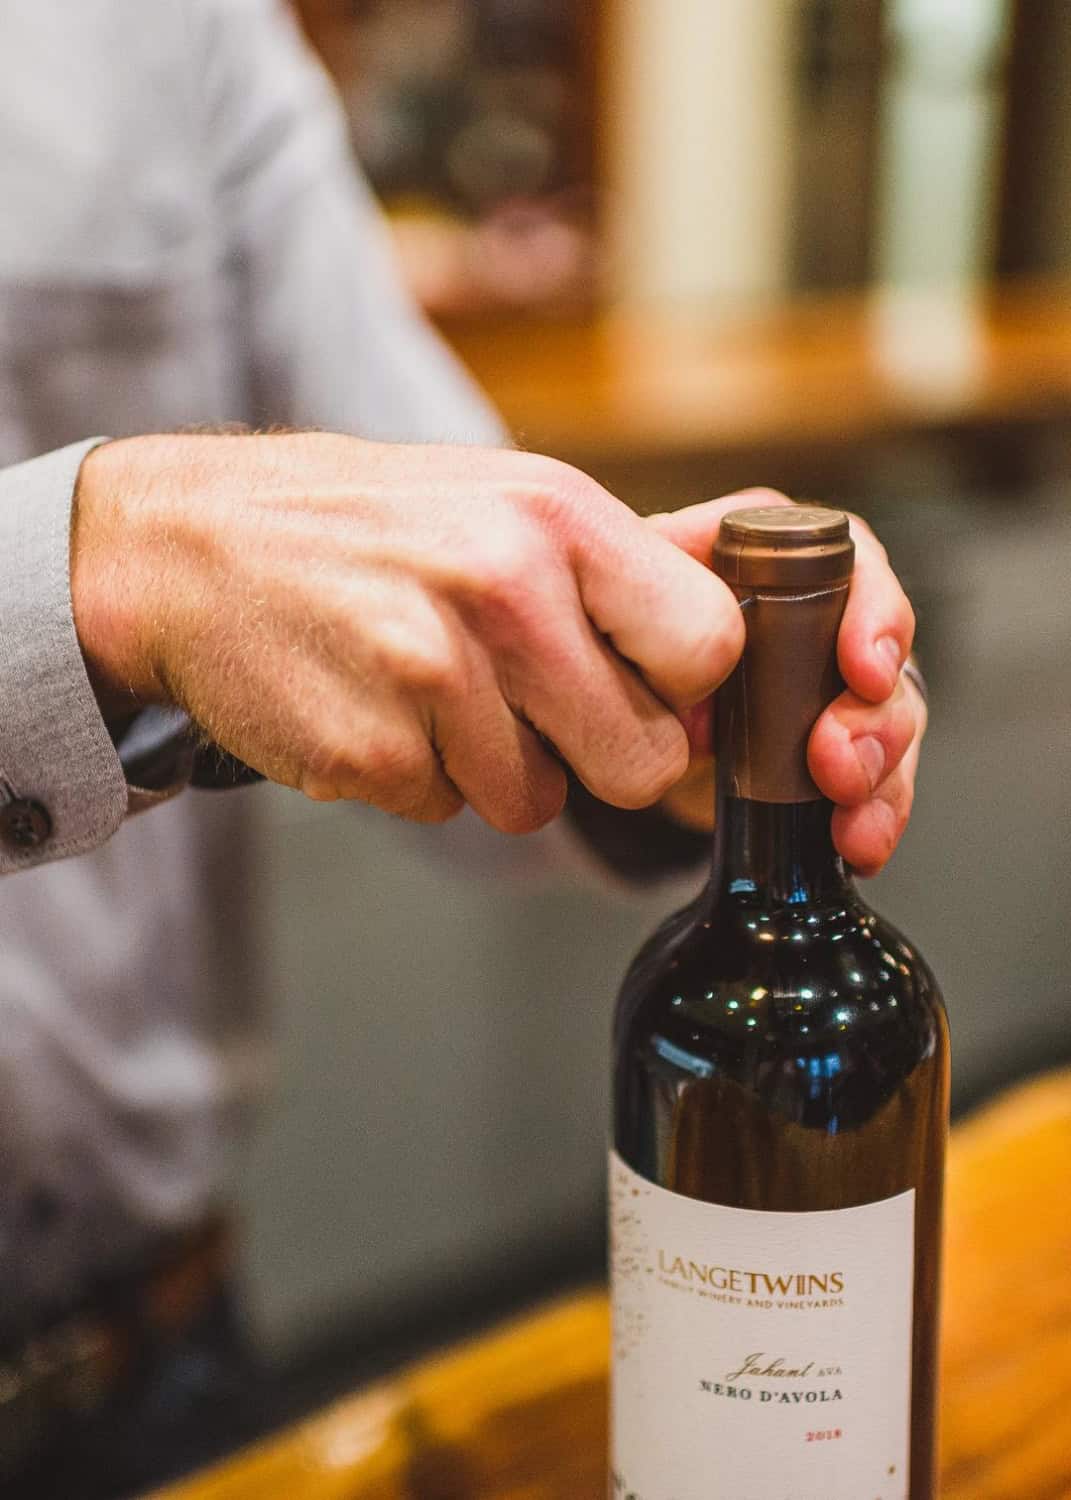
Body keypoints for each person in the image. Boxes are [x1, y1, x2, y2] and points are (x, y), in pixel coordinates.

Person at [0, 2, 926, 1493]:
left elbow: (459, 600)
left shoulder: (176, 26)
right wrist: (90, 563)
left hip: (155, 1356)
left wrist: (648, 722)